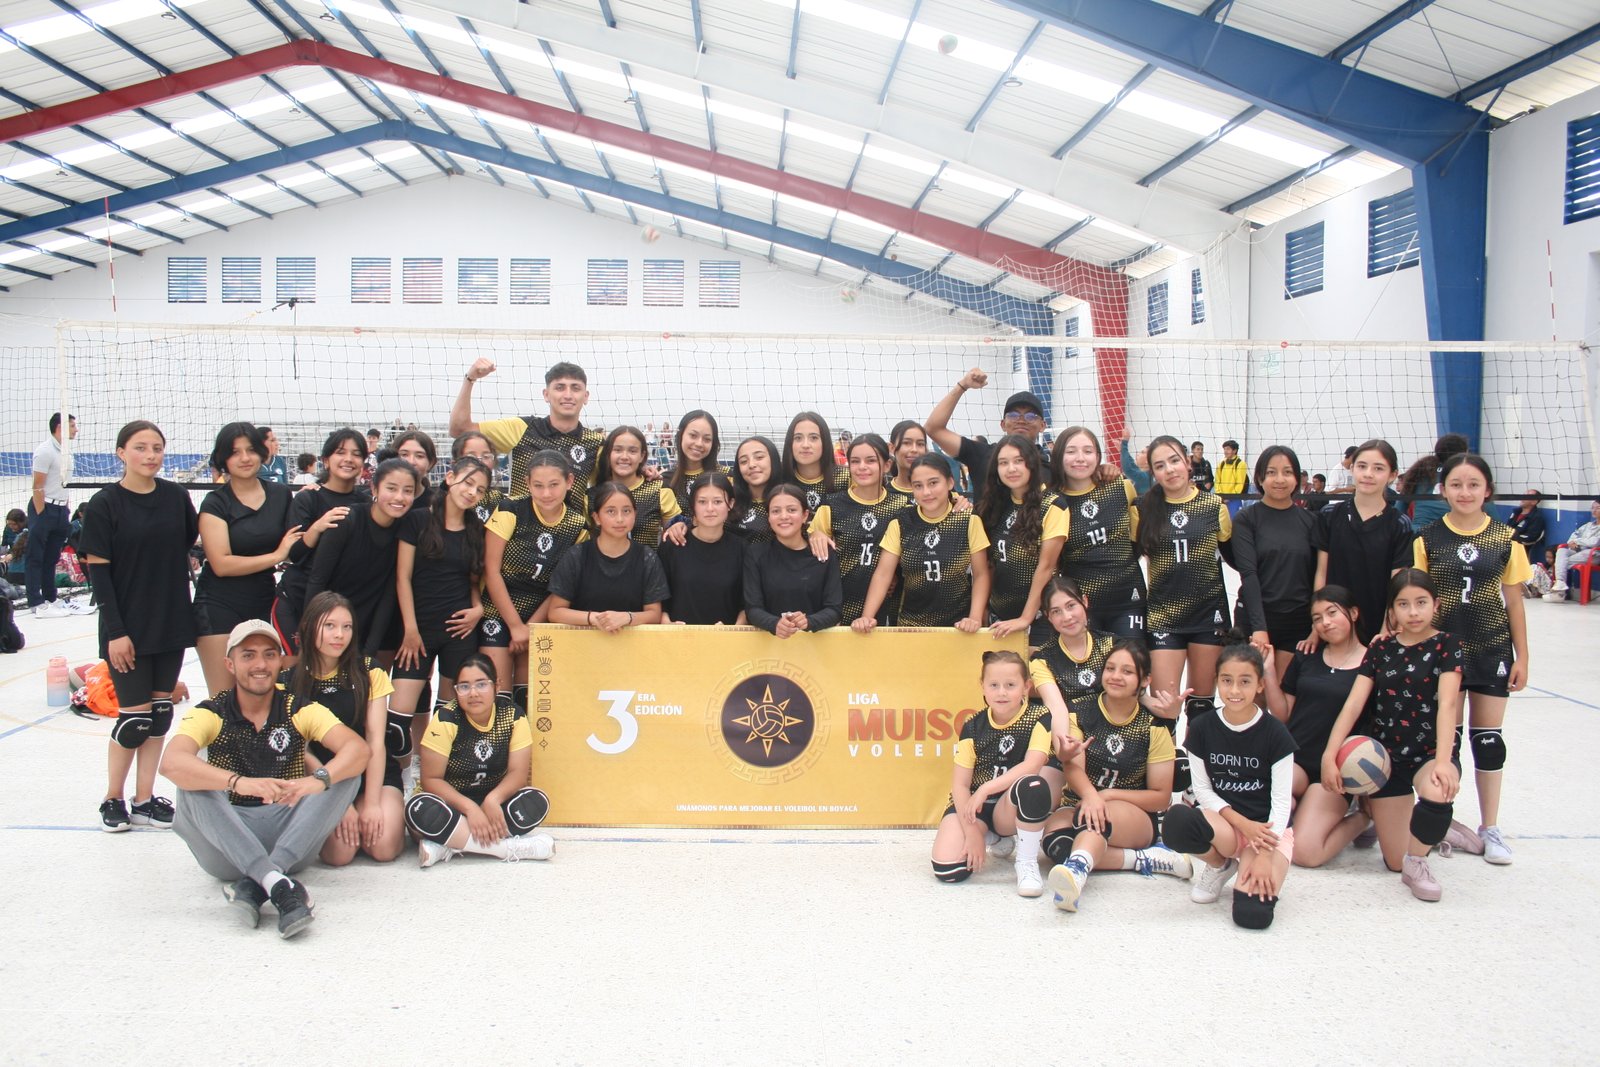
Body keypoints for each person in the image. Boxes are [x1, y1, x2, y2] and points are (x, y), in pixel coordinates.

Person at [163, 620, 370, 937]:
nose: (260, 664)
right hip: (227, 846)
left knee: (344, 775)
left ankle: (258, 882)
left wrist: (316, 780)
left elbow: (357, 750)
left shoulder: (297, 707)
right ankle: (276, 882)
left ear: (281, 662)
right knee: (191, 781)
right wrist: (238, 782)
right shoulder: (213, 711)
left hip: (288, 839)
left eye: (269, 655)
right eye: (248, 655)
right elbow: (171, 763)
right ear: (230, 664)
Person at [79, 420, 199, 833]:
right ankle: (113, 797)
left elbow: (185, 543)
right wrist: (115, 631)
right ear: (121, 453)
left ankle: (145, 799)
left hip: (170, 618)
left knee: (160, 714)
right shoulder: (105, 503)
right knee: (133, 719)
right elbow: (99, 574)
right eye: (140, 447)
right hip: (127, 625)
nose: (150, 455)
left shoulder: (176, 497)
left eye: (157, 448)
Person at [1413, 453, 1530, 865]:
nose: (1465, 492)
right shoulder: (1426, 538)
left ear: (1487, 490)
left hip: (1492, 648)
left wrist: (1523, 657)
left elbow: (1514, 603)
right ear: (1443, 490)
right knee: (1448, 742)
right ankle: (1444, 819)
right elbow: (1418, 601)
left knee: (1489, 741)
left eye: (1473, 484)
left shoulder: (1506, 538)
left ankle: (1490, 827)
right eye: (1456, 484)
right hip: (1444, 651)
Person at [1321, 570, 1463, 902]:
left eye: (1421, 603)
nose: (1413, 612)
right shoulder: (1381, 648)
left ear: (1435, 605)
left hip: (1429, 752)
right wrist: (1331, 754)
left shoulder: (1447, 644)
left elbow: (1449, 705)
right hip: (1387, 758)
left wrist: (1443, 761)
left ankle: (1422, 855)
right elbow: (1354, 704)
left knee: (1438, 790)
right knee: (1394, 861)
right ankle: (1428, 833)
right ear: (1392, 611)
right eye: (1403, 604)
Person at [1042, 640, 1190, 912]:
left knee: (1093, 819)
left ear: (1144, 679)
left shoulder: (1154, 725)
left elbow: (1160, 797)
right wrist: (1087, 791)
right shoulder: (1080, 710)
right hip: (1079, 802)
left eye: (1127, 671)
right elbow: (1073, 766)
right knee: (1055, 843)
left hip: (1132, 815)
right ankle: (1144, 859)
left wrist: (1105, 796)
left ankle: (1077, 872)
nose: (1116, 676)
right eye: (1110, 668)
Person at [1162, 642, 1296, 929]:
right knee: (1176, 822)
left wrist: (1264, 854)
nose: (1235, 691)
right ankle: (1220, 864)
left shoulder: (1276, 733)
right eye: (1227, 681)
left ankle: (1248, 865)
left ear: (1260, 685)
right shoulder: (1202, 728)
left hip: (1269, 831)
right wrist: (1242, 825)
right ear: (1217, 682)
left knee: (1252, 917)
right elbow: (1203, 791)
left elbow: (1282, 802)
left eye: (1245, 682)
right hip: (1228, 826)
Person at [283, 592, 405, 866]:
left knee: (383, 847)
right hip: (324, 779)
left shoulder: (370, 672)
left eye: (347, 627)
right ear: (309, 627)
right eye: (330, 626)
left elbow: (375, 740)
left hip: (372, 774)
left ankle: (378, 809)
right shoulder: (287, 682)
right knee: (339, 854)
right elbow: (298, 750)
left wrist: (371, 803)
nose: (339, 635)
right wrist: (335, 799)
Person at [1260, 586, 1374, 868]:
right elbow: (1283, 713)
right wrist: (1269, 670)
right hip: (1297, 760)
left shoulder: (1373, 662)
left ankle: (1364, 817)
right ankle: (1296, 809)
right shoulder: (1306, 656)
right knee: (1262, 816)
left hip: (1335, 770)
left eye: (1332, 613)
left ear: (1354, 613)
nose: (1325, 622)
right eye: (1317, 618)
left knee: (1306, 853)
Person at [406, 653, 554, 866]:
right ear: (455, 691)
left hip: (492, 804)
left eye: (481, 684)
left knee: (536, 800)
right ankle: (506, 849)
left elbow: (518, 774)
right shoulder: (446, 718)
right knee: (418, 808)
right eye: (464, 687)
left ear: (497, 686)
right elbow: (431, 780)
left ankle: (448, 843)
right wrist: (470, 809)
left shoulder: (512, 715)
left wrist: (492, 800)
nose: (473, 693)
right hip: (452, 805)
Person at [929, 650, 1055, 896]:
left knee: (1034, 785)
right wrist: (972, 831)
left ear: (1026, 687)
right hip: (974, 807)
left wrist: (987, 788)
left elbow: (1033, 765)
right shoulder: (973, 725)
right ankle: (993, 838)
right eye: (994, 685)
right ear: (983, 687)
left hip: (1008, 805)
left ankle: (1026, 862)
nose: (1002, 692)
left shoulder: (1039, 717)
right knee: (948, 870)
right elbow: (960, 786)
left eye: (1010, 685)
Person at [1134, 435, 1233, 731]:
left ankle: (1198, 772)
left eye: (1175, 460)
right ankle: (1168, 772)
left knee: (1201, 706)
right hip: (1164, 617)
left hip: (1208, 615)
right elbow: (1126, 559)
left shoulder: (1215, 506)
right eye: (1160, 465)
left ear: (1188, 463)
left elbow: (1238, 558)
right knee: (1166, 708)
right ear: (1153, 472)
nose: (1170, 470)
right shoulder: (1143, 509)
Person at [194, 422, 300, 697]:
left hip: (265, 600)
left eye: (251, 450)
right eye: (235, 452)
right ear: (223, 459)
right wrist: (277, 556)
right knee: (224, 701)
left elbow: (299, 538)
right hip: (219, 604)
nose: (244, 458)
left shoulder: (280, 495)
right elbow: (222, 563)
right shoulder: (215, 503)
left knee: (267, 695)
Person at [393, 457, 491, 753]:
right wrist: (410, 629)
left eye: (481, 490)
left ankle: (433, 785)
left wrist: (478, 609)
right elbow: (402, 577)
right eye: (468, 483)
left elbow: (474, 581)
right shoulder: (418, 519)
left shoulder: (477, 529)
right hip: (418, 630)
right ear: (449, 478)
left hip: (459, 631)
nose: (472, 492)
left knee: (445, 721)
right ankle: (399, 781)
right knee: (396, 723)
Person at [481, 450, 588, 704]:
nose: (546, 493)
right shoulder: (510, 510)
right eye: (538, 486)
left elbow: (562, 588)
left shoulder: (578, 526)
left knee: (529, 697)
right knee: (499, 696)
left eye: (554, 485)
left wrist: (531, 628)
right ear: (527, 483)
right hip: (499, 610)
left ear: (569, 482)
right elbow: (491, 570)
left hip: (541, 615)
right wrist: (516, 626)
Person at [853, 455, 990, 632]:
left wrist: (974, 618)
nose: (926, 492)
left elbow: (981, 575)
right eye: (918, 486)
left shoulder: (968, 520)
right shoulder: (901, 522)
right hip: (911, 627)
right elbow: (883, 574)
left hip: (958, 627)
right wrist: (867, 616)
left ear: (949, 483)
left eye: (933, 483)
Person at [450, 358, 604, 515]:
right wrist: (470, 379)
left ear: (585, 396)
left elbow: (609, 488)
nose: (568, 395)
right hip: (519, 534)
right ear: (546, 394)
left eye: (575, 388)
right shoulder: (522, 428)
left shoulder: (596, 442)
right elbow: (459, 429)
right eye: (560, 387)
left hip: (572, 535)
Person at [1040, 427, 1146, 639]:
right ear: (1058, 455)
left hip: (1128, 600)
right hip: (1081, 605)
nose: (1080, 458)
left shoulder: (1121, 487)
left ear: (1098, 456)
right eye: (1071, 452)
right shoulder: (1049, 500)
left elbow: (1136, 543)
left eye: (1088, 451)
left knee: (1131, 667)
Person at [272, 428, 371, 655]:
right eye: (340, 452)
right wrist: (317, 527)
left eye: (356, 454)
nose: (348, 459)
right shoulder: (308, 498)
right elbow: (294, 554)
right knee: (296, 673)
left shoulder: (366, 503)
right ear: (326, 460)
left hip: (340, 606)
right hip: (298, 598)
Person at [304, 459, 418, 655]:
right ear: (374, 489)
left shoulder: (405, 530)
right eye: (391, 488)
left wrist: (370, 650)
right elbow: (317, 580)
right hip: (330, 621)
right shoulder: (346, 521)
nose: (399, 497)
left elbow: (389, 594)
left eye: (408, 491)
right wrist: (311, 632)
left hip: (367, 621)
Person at [1311, 439, 1412, 643]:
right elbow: (1321, 573)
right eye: (1362, 466)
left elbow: (1397, 583)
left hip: (1377, 627)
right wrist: (1317, 627)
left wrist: (1387, 627)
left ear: (1392, 475)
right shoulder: (1330, 515)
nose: (1368, 474)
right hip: (1334, 626)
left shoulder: (1399, 524)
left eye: (1378, 468)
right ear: (1352, 469)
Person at [1232, 445, 1317, 678]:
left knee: (1282, 699)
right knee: (1254, 698)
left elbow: (1316, 577)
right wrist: (1259, 628)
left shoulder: (1311, 521)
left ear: (1297, 478)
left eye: (1287, 472)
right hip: (1257, 618)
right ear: (1260, 477)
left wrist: (1316, 624)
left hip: (1297, 622)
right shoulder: (1246, 519)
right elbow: (1248, 574)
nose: (1280, 479)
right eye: (1271, 472)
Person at [808, 434, 907, 625]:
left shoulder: (901, 506)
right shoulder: (832, 505)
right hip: (837, 606)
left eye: (871, 461)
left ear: (886, 465)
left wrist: (957, 500)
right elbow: (809, 541)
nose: (862, 467)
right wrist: (814, 533)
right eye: (855, 461)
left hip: (886, 607)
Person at [545, 482, 668, 632]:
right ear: (596, 517)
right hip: (583, 645)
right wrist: (595, 619)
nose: (620, 519)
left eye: (626, 511)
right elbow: (555, 612)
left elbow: (654, 614)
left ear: (635, 514)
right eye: (611, 511)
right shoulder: (577, 556)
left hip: (632, 647)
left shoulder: (647, 558)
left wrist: (627, 618)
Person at [976, 435, 1056, 642]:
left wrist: (1025, 618)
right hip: (998, 617)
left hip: (1038, 618)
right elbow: (991, 563)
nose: (1011, 468)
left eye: (1018, 461)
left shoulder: (1052, 504)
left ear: (1031, 463)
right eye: (1003, 463)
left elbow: (1046, 567)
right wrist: (984, 607)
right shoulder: (995, 505)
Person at [923, 367, 1046, 496]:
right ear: (1003, 424)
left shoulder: (1054, 466)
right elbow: (933, 428)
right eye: (1013, 415)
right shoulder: (982, 455)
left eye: (1030, 416)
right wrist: (962, 386)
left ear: (1042, 425)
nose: (1021, 420)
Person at [744, 484, 842, 638]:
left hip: (816, 647)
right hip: (768, 648)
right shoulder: (756, 554)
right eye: (776, 511)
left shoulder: (823, 553)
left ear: (805, 515)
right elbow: (752, 608)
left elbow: (834, 609)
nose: (784, 516)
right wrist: (775, 623)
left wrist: (809, 622)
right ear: (768, 517)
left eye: (791, 510)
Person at [660, 471, 747, 625]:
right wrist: (668, 625)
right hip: (679, 640)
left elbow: (747, 602)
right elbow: (658, 598)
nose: (710, 508)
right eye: (702, 502)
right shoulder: (673, 545)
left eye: (718, 501)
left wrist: (734, 631)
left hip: (725, 642)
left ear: (731, 504)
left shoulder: (742, 549)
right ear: (693, 505)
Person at [1029, 578, 1116, 726]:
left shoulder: (1113, 645)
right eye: (1056, 611)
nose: (1067, 617)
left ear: (1084, 601)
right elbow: (1056, 709)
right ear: (1048, 616)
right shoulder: (1042, 659)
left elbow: (1129, 697)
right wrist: (1066, 745)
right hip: (1070, 731)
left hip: (1112, 728)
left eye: (1071, 606)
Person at [26, 412, 82, 617]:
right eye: (73, 426)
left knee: (51, 557)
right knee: (35, 556)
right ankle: (35, 601)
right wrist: (41, 514)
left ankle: (50, 597)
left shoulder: (67, 453)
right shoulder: (44, 451)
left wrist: (65, 509)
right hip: (44, 509)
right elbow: (37, 486)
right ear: (60, 427)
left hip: (60, 510)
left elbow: (63, 484)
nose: (76, 430)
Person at [593, 426, 681, 546]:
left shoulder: (659, 490)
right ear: (608, 454)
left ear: (642, 456)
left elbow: (675, 533)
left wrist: (679, 526)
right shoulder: (593, 495)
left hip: (648, 563)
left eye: (632, 451)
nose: (624, 457)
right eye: (618, 450)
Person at [780, 411, 848, 511]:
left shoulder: (846, 478)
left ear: (824, 442)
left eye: (813, 438)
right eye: (798, 438)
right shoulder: (779, 479)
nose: (805, 445)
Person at [1400, 432, 1469, 528]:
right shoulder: (1467, 476)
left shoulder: (1421, 472)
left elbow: (1399, 510)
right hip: (1450, 534)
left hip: (1418, 533)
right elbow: (1492, 516)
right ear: (1464, 454)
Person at [664, 410, 724, 514]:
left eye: (707, 439)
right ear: (681, 435)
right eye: (693, 436)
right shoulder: (664, 480)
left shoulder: (726, 477)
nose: (699, 443)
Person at [728, 436, 781, 542]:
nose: (751, 465)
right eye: (743, 461)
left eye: (759, 457)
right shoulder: (729, 501)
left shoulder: (788, 499)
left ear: (773, 460)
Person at [1548, 497, 1600, 599]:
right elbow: (1574, 535)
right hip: (1578, 551)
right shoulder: (1588, 525)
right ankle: (1560, 582)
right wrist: (1571, 542)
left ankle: (1559, 591)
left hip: (1594, 555)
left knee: (1563, 561)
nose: (1594, 510)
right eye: (1592, 508)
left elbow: (1595, 542)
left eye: (1598, 508)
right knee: (1562, 550)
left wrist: (1578, 542)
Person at [452, 430, 503, 520]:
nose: (480, 461)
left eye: (486, 456)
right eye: (471, 456)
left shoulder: (498, 499)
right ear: (455, 463)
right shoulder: (448, 498)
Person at [390, 430, 438, 510]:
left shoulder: (437, 504)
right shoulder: (372, 500)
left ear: (431, 463)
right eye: (404, 455)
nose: (411, 462)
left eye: (419, 456)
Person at [887, 420, 929, 507]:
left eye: (920, 444)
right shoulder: (883, 495)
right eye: (906, 443)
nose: (914, 449)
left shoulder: (938, 490)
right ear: (892, 448)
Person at [1508, 490, 1548, 568]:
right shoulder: (1515, 513)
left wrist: (1513, 538)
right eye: (1523, 494)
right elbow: (1507, 528)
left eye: (1527, 496)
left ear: (1534, 502)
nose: (1522, 497)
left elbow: (1531, 537)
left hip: (1519, 548)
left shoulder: (1537, 517)